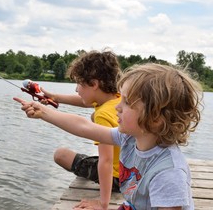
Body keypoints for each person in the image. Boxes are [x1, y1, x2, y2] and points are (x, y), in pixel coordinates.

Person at [14, 63, 203, 209]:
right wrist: (43, 112)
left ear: (155, 118)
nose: (118, 106)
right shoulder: (129, 138)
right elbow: (83, 126)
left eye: (127, 102)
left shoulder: (168, 173)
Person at [40, 50, 122, 209]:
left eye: (79, 83)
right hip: (130, 169)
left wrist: (103, 204)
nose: (76, 89)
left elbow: (106, 161)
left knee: (61, 155)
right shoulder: (117, 99)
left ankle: (100, 188)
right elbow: (86, 102)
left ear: (94, 84)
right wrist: (55, 98)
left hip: (118, 179)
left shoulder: (103, 115)